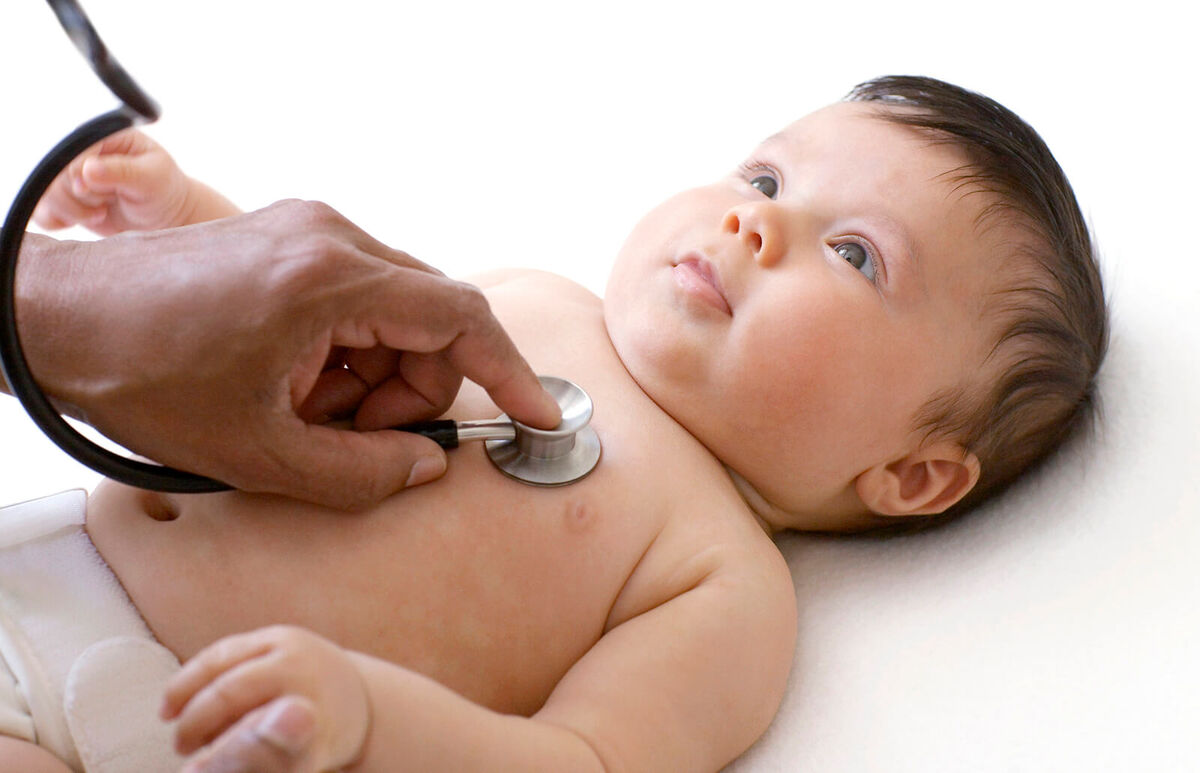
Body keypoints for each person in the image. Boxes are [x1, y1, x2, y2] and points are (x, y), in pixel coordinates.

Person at [0, 75, 1107, 772]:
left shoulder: (721, 584)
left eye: (855, 253)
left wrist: (367, 716)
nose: (753, 222)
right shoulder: (529, 297)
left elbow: (579, 758)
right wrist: (182, 223)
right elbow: (306, 335)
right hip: (43, 548)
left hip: (148, 725)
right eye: (766, 176)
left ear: (913, 473)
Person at [5, 188, 562, 509]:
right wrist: (182, 219)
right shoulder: (531, 287)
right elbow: (261, 327)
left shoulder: (628, 556)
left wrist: (353, 683)